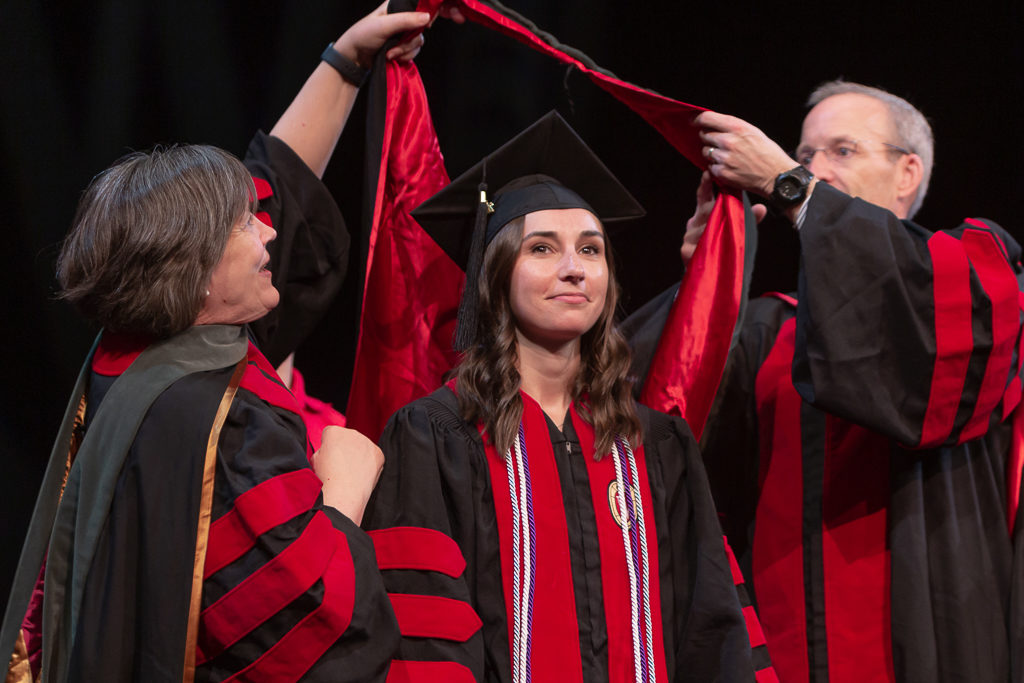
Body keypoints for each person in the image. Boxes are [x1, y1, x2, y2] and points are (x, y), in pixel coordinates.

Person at [0, 5, 437, 682]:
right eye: (243, 225)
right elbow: (305, 623)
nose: (266, 233)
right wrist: (343, 485)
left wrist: (348, 60)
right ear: (193, 267)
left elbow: (280, 182)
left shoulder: (140, 356)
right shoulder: (219, 420)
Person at [636, 80, 1024, 682]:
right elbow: (651, 430)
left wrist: (793, 188)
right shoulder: (765, 330)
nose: (808, 166)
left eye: (841, 150)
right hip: (782, 652)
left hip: (935, 645)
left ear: (908, 173)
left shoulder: (974, 276)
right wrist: (700, 289)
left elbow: (923, 344)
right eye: (804, 153)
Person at [362, 111, 759, 683]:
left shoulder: (657, 445)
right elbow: (426, 627)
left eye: (591, 250)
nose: (574, 269)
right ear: (495, 276)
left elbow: (712, 625)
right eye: (543, 249)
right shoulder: (435, 434)